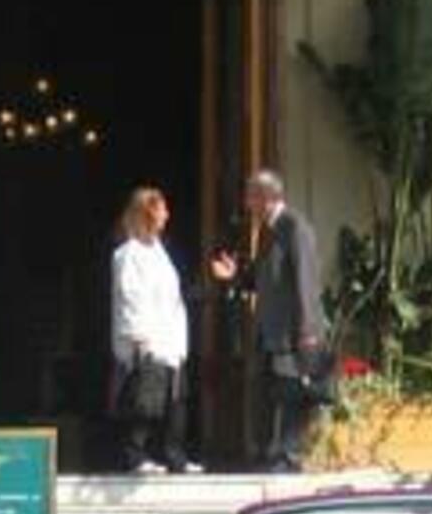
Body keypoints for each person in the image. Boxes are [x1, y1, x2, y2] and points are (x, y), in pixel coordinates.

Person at [208, 168, 324, 473]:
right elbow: (262, 279)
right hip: (268, 332)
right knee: (268, 392)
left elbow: (305, 280)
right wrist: (235, 277)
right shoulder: (267, 231)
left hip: (291, 332)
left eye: (250, 196)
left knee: (292, 392)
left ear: (265, 197)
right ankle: (270, 453)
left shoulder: (294, 227)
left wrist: (308, 330)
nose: (247, 204)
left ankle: (289, 455)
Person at [109, 185, 199, 476]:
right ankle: (135, 455)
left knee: (175, 400)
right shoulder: (128, 254)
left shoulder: (161, 252)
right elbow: (130, 295)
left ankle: (176, 455)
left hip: (170, 336)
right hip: (145, 338)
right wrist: (140, 336)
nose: (167, 214)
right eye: (161, 209)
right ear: (148, 213)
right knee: (145, 400)